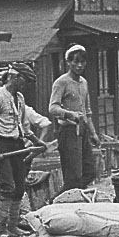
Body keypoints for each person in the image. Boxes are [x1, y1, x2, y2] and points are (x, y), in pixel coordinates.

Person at [0, 63, 51, 230]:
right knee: (8, 187)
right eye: (24, 81)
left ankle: (12, 226)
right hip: (1, 144)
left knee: (19, 186)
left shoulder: (19, 98)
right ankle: (0, 228)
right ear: (15, 77)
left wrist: (36, 142)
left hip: (16, 143)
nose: (24, 86)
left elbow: (21, 126)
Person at [49, 45, 95, 191]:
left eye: (82, 61)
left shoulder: (84, 82)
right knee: (73, 175)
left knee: (90, 171)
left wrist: (93, 133)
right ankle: (59, 201)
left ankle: (75, 196)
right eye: (75, 61)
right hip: (68, 131)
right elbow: (53, 108)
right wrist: (70, 114)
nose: (79, 65)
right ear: (68, 62)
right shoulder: (61, 82)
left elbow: (87, 111)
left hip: (82, 131)